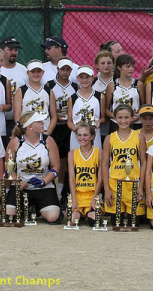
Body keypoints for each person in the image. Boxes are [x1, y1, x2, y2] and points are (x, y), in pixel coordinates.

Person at [5, 111, 61, 224]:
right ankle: (29, 207)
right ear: (30, 127)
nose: (43, 123)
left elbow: (56, 167)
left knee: (53, 217)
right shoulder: (16, 142)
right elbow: (8, 169)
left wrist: (43, 181)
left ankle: (37, 207)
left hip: (43, 187)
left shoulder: (48, 141)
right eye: (39, 122)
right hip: (22, 187)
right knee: (9, 214)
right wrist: (17, 182)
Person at [102, 104, 147, 226]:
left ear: (132, 118)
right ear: (115, 119)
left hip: (133, 184)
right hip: (115, 184)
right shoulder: (109, 138)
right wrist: (106, 189)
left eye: (126, 117)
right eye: (120, 117)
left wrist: (141, 186)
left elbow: (144, 163)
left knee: (136, 223)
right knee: (117, 223)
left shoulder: (139, 137)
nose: (123, 121)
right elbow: (105, 165)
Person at [47, 57, 79, 207]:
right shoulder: (50, 85)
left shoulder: (75, 86)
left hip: (69, 126)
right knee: (57, 159)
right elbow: (47, 106)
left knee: (68, 159)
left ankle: (64, 190)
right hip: (56, 126)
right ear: (58, 70)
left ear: (71, 70)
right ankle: (56, 189)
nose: (65, 72)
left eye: (68, 69)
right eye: (62, 69)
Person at [67, 123, 103, 226]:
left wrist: (95, 198)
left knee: (95, 222)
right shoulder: (72, 154)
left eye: (85, 135)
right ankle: (80, 213)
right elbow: (72, 178)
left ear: (92, 136)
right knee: (72, 221)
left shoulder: (99, 153)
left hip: (92, 194)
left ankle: (88, 213)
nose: (82, 138)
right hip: (78, 195)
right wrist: (74, 199)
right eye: (79, 135)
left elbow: (100, 178)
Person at [13, 59, 57, 135]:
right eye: (33, 71)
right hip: (27, 133)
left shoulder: (49, 91)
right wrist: (24, 131)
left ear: (43, 72)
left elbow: (54, 116)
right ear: (28, 73)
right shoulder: (21, 91)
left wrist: (48, 132)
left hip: (44, 131)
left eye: (38, 71)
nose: (36, 74)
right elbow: (17, 116)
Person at [67, 66, 104, 150]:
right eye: (81, 77)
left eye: (87, 77)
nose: (84, 80)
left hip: (93, 135)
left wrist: (99, 122)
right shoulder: (72, 98)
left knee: (95, 160)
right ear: (77, 78)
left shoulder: (99, 96)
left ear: (92, 78)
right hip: (78, 136)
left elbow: (103, 118)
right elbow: (69, 121)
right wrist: (75, 128)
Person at [105, 54, 144, 132]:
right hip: (117, 124)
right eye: (127, 66)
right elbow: (106, 109)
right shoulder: (112, 86)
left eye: (132, 66)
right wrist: (117, 117)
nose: (131, 69)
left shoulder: (138, 84)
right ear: (119, 67)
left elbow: (143, 105)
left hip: (135, 123)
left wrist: (138, 115)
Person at [0, 36, 28, 138]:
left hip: (18, 120)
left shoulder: (23, 70)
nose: (14, 52)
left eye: (16, 50)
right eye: (10, 49)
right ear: (2, 50)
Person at [92, 51, 115, 144]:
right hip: (99, 119)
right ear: (97, 65)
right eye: (102, 63)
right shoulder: (92, 81)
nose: (106, 66)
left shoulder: (118, 79)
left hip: (115, 118)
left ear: (113, 64)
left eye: (109, 63)